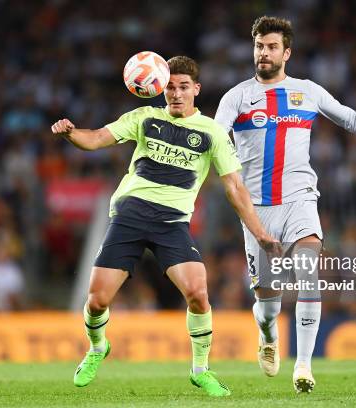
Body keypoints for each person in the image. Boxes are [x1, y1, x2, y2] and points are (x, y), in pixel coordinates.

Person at [51, 56, 280, 397]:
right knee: (97, 301)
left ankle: (201, 370)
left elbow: (235, 187)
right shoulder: (144, 118)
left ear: (196, 90)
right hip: (130, 215)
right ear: (159, 88)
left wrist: (261, 233)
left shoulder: (213, 132)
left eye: (183, 87)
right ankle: (98, 348)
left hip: (172, 222)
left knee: (198, 294)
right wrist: (71, 134)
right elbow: (97, 138)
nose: (176, 93)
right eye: (170, 86)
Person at [214, 16, 356, 394]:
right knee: (268, 302)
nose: (264, 52)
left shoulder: (307, 92)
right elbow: (215, 133)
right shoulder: (236, 96)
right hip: (256, 210)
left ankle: (303, 367)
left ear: (286, 52)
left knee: (307, 272)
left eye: (272, 46)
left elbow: (351, 119)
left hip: (300, 200)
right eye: (259, 45)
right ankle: (268, 333)